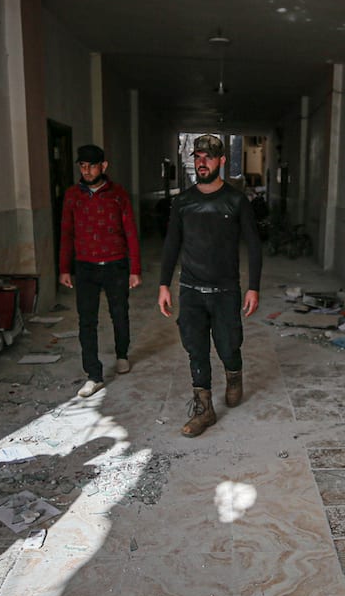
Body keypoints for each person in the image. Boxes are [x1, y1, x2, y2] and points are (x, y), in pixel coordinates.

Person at [158, 134, 262, 437]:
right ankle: (204, 409)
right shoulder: (183, 201)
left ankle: (234, 375)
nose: (202, 161)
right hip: (191, 289)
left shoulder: (236, 200)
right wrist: (164, 284)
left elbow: (253, 246)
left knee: (229, 346)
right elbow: (171, 244)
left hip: (225, 290)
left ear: (221, 161)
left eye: (209, 156)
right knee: (196, 350)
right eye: (198, 156)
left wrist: (253, 286)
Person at [59, 144, 141, 398]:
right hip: (85, 267)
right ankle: (93, 375)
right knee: (87, 321)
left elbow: (130, 232)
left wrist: (134, 269)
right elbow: (66, 233)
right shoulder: (73, 195)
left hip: (116, 264)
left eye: (91, 165)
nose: (86, 170)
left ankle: (122, 354)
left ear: (103, 166)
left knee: (119, 313)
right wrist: (64, 268)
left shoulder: (118, 195)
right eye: (82, 166)